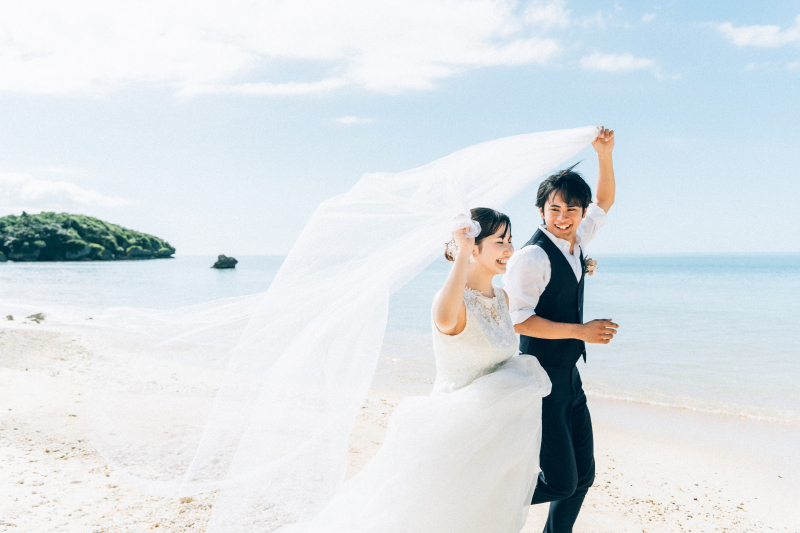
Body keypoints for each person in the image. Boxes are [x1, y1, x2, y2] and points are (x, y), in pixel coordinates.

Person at [286, 208, 552, 533]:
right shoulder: (450, 301)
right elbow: (444, 319)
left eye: (510, 239)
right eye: (500, 241)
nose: (510, 249)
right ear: (474, 247)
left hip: (493, 435)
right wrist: (462, 254)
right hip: (454, 430)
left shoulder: (501, 297)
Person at [503, 127, 618, 533]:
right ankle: (487, 496)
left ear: (580, 213)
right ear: (541, 212)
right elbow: (520, 320)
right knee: (559, 481)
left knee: (582, 479)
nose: (563, 217)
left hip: (569, 379)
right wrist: (580, 331)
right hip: (541, 380)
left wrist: (604, 154)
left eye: (571, 210)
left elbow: (604, 200)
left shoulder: (577, 239)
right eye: (554, 210)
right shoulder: (532, 256)